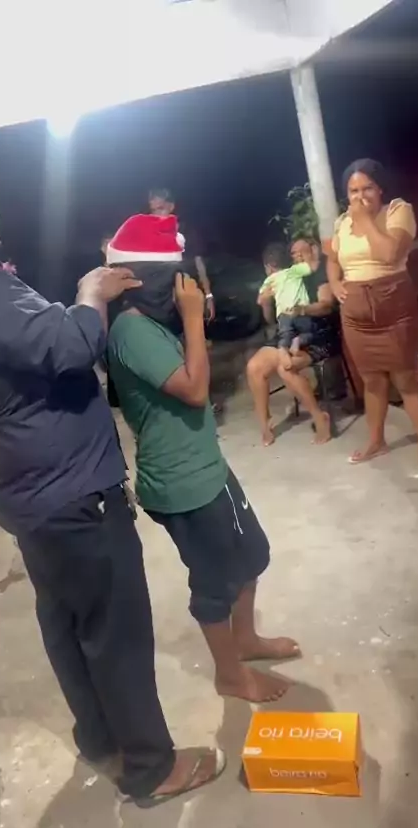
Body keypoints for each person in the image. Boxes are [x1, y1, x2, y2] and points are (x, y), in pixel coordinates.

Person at [0, 171, 225, 804]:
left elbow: (29, 346)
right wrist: (89, 293)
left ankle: (102, 739)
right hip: (70, 490)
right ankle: (151, 768)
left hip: (31, 491)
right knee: (116, 630)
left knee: (68, 621)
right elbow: (66, 345)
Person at [106, 214, 300, 704]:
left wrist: (190, 321)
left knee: (252, 554)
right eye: (173, 279)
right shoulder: (131, 331)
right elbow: (195, 390)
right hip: (181, 484)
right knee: (215, 583)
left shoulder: (152, 324)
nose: (182, 288)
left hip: (206, 468)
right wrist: (193, 319)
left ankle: (246, 640)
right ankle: (229, 676)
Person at [327, 158, 418, 470]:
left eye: (367, 188)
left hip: (394, 308)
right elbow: (333, 259)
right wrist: (335, 283)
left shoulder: (398, 211)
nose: (360, 196)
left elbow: (390, 254)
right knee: (371, 380)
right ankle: (376, 440)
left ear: (380, 189)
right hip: (356, 316)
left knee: (407, 378)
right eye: (353, 191)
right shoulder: (342, 222)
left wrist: (366, 222)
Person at [247, 239, 338, 446]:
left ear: (313, 250)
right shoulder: (285, 277)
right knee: (254, 367)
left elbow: (326, 306)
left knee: (286, 367)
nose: (297, 256)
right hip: (287, 334)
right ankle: (265, 423)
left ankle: (319, 417)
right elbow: (272, 320)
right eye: (294, 253)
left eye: (301, 252)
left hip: (316, 333)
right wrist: (267, 302)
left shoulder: (317, 274)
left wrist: (302, 310)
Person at [148, 187, 215, 322]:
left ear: (171, 206)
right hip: (161, 301)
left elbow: (199, 264)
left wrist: (208, 296)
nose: (156, 214)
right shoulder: (150, 233)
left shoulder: (188, 232)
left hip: (188, 293)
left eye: (160, 208)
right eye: (153, 210)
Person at [259, 243, 316, 369]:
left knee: (285, 336)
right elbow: (312, 267)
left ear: (268, 266)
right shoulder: (294, 271)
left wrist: (264, 298)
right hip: (300, 311)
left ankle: (283, 349)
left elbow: (261, 299)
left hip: (284, 314)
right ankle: (298, 341)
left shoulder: (270, 280)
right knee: (309, 333)